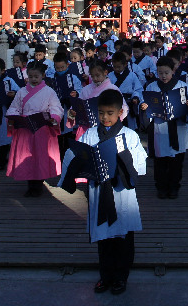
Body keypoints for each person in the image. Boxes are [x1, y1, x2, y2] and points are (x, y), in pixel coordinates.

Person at [58, 89, 146, 295]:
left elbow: (140, 164)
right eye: (101, 113)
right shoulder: (90, 134)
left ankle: (121, 277)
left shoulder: (129, 135)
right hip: (98, 191)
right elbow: (75, 154)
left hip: (120, 192)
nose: (105, 117)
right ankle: (106, 276)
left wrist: (123, 159)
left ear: (120, 113)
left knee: (123, 237)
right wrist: (82, 161)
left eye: (110, 113)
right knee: (103, 237)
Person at [140, 56, 188, 199]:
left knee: (176, 161)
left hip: (178, 127)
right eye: (160, 73)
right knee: (160, 161)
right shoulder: (152, 86)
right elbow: (144, 102)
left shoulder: (182, 86)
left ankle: (174, 186)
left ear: (173, 71)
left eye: (166, 72)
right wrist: (144, 106)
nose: (163, 76)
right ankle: (161, 187)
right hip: (159, 127)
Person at [5, 60, 63, 197]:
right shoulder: (22, 91)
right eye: (31, 77)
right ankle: (30, 184)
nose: (33, 79)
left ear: (42, 75)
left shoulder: (49, 91)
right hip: (25, 129)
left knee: (40, 157)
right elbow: (14, 107)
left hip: (41, 128)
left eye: (36, 77)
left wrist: (52, 117)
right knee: (27, 157)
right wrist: (14, 116)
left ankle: (38, 184)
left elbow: (56, 108)